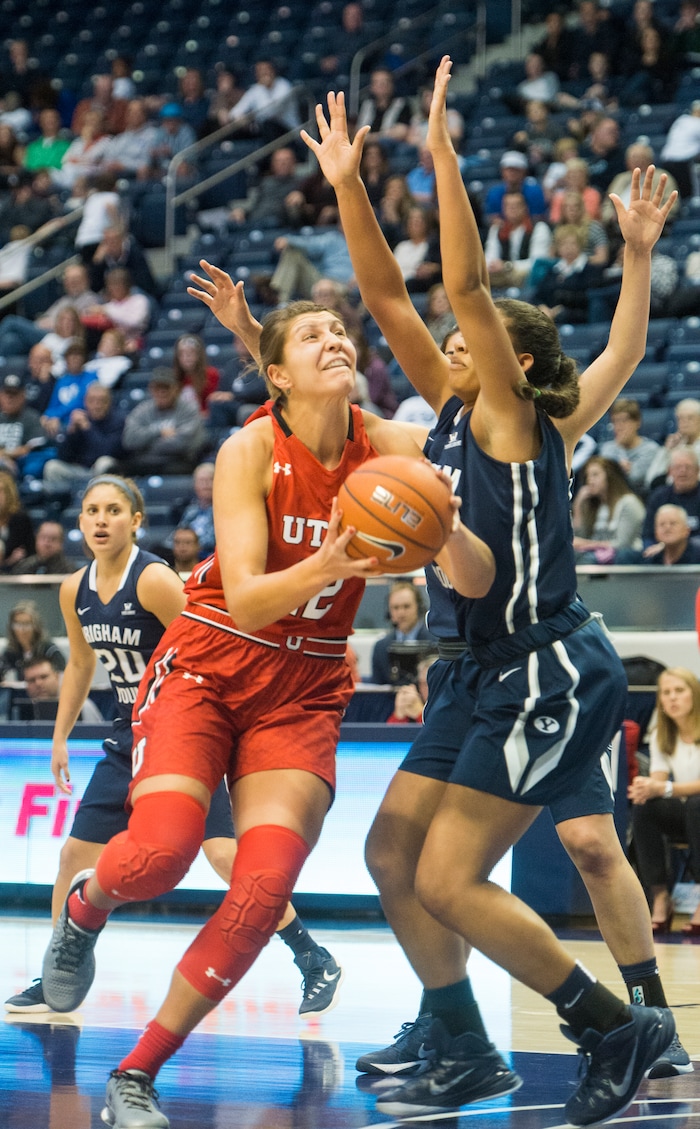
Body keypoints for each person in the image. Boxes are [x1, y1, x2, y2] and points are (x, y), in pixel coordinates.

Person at [299, 66, 682, 1115]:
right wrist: (347, 186)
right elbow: (386, 295)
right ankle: (460, 1038)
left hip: (547, 663)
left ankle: (618, 1024)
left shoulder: (515, 417)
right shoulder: (452, 411)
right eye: (454, 344)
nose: (452, 340)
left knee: (450, 878)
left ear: (512, 359)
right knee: (392, 852)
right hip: (482, 667)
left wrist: (441, 154)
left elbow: (471, 289)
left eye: (473, 338)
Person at [36, 292, 494, 1126]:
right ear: (276, 374)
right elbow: (245, 599)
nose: (336, 340)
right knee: (162, 855)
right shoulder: (250, 446)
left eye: (340, 332)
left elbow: (471, 547)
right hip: (208, 665)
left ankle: (135, 1074)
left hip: (306, 687)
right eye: (313, 334)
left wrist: (447, 530)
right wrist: (329, 563)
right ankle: (84, 905)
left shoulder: (389, 445)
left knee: (260, 890)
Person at [5, 475, 344, 1020]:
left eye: (113, 510)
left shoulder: (156, 580)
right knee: (74, 857)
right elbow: (81, 664)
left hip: (182, 729)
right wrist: (61, 734)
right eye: (90, 510)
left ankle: (312, 957)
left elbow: (211, 641)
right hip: (125, 734)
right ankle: (56, 977)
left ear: (136, 520)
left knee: (224, 854)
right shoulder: (74, 589)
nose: (99, 520)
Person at [629, 668, 700, 936]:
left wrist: (666, 787)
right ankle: (660, 896)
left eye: (679, 691)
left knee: (696, 803)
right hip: (687, 814)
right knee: (645, 804)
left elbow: (669, 786)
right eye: (666, 693)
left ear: (695, 695)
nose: (672, 698)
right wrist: (646, 787)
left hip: (697, 809)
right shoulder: (662, 733)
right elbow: (658, 779)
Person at [120, 368, 205, 477]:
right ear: (151, 389)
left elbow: (185, 444)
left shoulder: (189, 409)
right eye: (157, 388)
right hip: (144, 464)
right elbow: (129, 440)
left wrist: (145, 446)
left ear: (176, 389)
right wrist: (159, 432)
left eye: (166, 387)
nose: (161, 392)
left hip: (177, 463)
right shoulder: (141, 410)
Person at [43, 382, 126, 485]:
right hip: (81, 470)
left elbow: (106, 451)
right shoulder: (80, 419)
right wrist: (71, 432)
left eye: (101, 401)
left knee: (104, 462)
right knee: (52, 467)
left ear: (109, 402)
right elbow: (63, 456)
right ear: (85, 402)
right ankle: (60, 500)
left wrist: (87, 428)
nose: (97, 405)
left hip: (106, 472)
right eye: (92, 401)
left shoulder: (118, 421)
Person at [571, 455, 645, 563]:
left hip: (623, 557)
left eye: (595, 475)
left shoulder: (629, 503)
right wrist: (577, 506)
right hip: (595, 555)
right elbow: (581, 536)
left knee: (586, 560)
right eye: (587, 476)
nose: (590, 481)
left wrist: (588, 545)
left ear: (610, 476)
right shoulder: (594, 505)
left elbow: (623, 544)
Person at [484, 191, 553, 289]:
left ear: (525, 207)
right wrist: (495, 266)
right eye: (508, 206)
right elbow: (489, 259)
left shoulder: (539, 227)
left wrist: (507, 266)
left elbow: (537, 263)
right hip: (501, 276)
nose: (512, 209)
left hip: (527, 277)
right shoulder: (497, 229)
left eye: (516, 205)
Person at [370, 580, 434, 685]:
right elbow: (377, 694)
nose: (401, 613)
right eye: (396, 608)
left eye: (406, 606)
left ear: (418, 607)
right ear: (389, 612)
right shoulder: (380, 648)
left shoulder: (435, 642)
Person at [598, 397, 660, 497]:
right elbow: (603, 481)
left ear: (637, 422)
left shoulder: (651, 449)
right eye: (615, 421)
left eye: (624, 420)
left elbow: (635, 478)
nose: (618, 427)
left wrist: (617, 469)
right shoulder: (607, 449)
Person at [229, 59, 300, 142]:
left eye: (266, 70)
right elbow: (234, 112)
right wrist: (240, 118)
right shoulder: (256, 89)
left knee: (268, 124)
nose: (263, 73)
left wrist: (250, 117)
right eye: (259, 71)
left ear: (273, 71)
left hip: (289, 132)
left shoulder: (284, 86)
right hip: (267, 134)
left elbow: (271, 112)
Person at [643, 448, 700, 545]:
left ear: (697, 470)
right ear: (670, 471)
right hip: (660, 552)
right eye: (678, 467)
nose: (683, 471)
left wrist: (676, 547)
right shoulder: (659, 496)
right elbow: (647, 535)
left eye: (688, 467)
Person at [23, 654, 102, 721]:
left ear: (57, 677)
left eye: (44, 677)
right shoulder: (20, 713)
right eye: (31, 680)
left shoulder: (82, 707)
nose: (38, 683)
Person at [0, 598, 64, 681]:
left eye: (27, 624)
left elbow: (61, 677)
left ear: (36, 626)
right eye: (17, 624)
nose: (22, 630)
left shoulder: (49, 651)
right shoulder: (9, 653)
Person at [0, 371, 49, 478]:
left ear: (23, 396)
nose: (9, 399)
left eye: (14, 394)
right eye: (6, 394)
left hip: (21, 465)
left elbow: (29, 448)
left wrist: (5, 455)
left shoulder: (31, 417)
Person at [644, 398, 700, 491]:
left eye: (690, 418)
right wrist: (666, 450)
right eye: (680, 418)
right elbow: (651, 479)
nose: (684, 422)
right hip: (671, 494)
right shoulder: (674, 446)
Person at [355, 68, 412, 140]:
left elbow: (402, 131)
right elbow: (358, 130)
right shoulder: (366, 104)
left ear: (392, 85)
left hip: (390, 145)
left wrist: (374, 138)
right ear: (371, 86)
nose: (381, 86)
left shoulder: (402, 104)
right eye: (377, 82)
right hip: (366, 145)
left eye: (384, 82)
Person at [172, 333, 220, 413]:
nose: (187, 357)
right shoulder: (173, 377)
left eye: (191, 353)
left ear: (199, 355)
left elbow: (213, 402)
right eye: (182, 354)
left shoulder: (211, 374)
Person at [10, 520, 76, 575]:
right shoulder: (23, 566)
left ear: (61, 544)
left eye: (53, 539)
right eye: (43, 538)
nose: (46, 543)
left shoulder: (69, 571)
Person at [0, 468, 34, 571]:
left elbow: (29, 553)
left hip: (18, 576)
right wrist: (8, 562)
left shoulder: (21, 520)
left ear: (9, 494)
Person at [386, 655, 436, 725]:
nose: (425, 689)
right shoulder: (413, 702)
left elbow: (439, 732)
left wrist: (420, 714)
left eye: (430, 683)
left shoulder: (452, 707)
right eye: (422, 683)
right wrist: (399, 716)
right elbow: (388, 734)